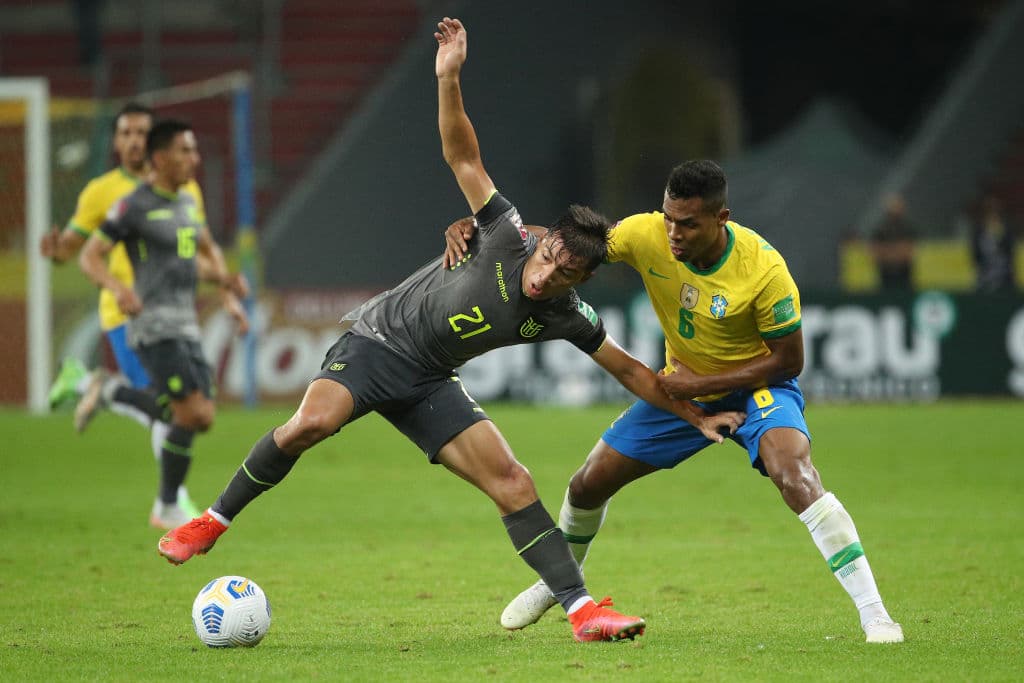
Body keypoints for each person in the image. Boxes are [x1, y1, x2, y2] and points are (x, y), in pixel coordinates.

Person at [156, 17, 743, 644]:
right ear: (543, 241)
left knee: (513, 480)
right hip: (377, 343)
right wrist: (449, 77)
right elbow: (463, 153)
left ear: (581, 280)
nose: (547, 279)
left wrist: (695, 417)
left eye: (567, 275)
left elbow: (631, 371)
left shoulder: (564, 313)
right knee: (310, 425)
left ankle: (581, 613)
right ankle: (211, 522)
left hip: (430, 379)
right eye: (549, 260)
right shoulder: (504, 232)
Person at [446, 161, 904, 644]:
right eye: (668, 217)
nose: (673, 233)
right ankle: (557, 585)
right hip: (684, 389)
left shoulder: (764, 271)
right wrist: (484, 229)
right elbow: (564, 243)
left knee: (794, 474)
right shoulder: (647, 234)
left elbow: (789, 361)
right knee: (586, 485)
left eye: (687, 223)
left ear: (720, 218)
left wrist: (703, 381)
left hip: (756, 388)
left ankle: (875, 615)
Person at [41, 102, 246, 528]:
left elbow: (202, 256)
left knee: (196, 413)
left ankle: (100, 386)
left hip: (185, 322)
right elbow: (85, 255)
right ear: (160, 156)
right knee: (179, 410)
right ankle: (170, 503)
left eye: (194, 150)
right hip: (143, 319)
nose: (195, 159)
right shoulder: (122, 202)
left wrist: (228, 289)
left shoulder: (188, 199)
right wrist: (116, 286)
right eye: (186, 151)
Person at [869, 193, 916, 290]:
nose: (895, 210)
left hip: (904, 276)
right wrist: (896, 252)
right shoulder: (880, 230)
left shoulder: (908, 229)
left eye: (897, 207)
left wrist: (887, 252)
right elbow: (876, 253)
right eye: (892, 207)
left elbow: (907, 253)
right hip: (885, 276)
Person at [970, 194, 1016, 293]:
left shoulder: (1006, 231)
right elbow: (975, 255)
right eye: (990, 211)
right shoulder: (979, 232)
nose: (993, 214)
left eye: (995, 211)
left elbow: (1010, 253)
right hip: (984, 277)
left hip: (1004, 278)